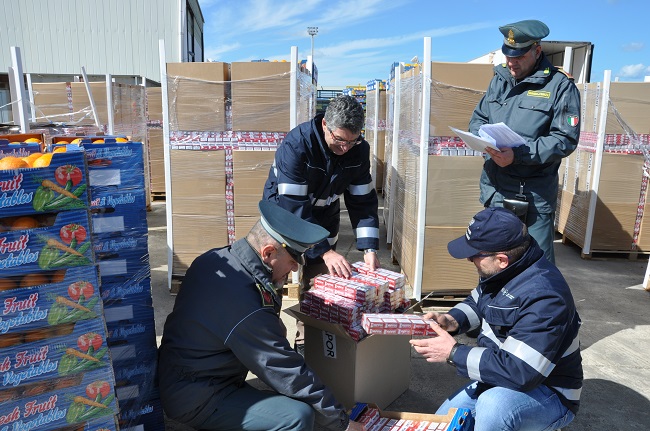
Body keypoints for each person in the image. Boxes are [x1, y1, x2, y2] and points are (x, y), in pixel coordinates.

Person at [157, 201, 365, 431]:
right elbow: (281, 367)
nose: (295, 270)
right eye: (292, 261)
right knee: (298, 416)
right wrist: (342, 423)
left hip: (187, 376)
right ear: (268, 252)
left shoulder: (218, 259)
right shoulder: (243, 302)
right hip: (197, 397)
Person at [410, 207, 583, 431]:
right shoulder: (505, 270)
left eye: (474, 254)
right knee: (443, 422)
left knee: (493, 406)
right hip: (502, 376)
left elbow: (521, 371)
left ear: (501, 259)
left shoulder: (546, 297)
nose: (469, 259)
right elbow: (478, 301)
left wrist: (453, 352)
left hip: (549, 390)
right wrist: (451, 320)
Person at [263, 94, 380, 352]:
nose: (346, 148)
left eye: (353, 140)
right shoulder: (297, 145)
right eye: (339, 140)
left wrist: (369, 249)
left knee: (319, 284)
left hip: (324, 217)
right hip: (282, 216)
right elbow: (293, 207)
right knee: (273, 280)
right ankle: (272, 346)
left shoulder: (358, 149)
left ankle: (310, 343)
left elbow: (363, 201)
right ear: (325, 124)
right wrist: (325, 251)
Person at [469, 19, 581, 264]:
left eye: (519, 56)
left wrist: (517, 155)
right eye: (508, 55)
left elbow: (565, 139)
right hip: (495, 191)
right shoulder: (499, 79)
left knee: (535, 267)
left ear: (537, 50)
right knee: (491, 264)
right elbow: (478, 118)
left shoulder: (560, 86)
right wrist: (480, 138)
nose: (511, 62)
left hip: (531, 199)